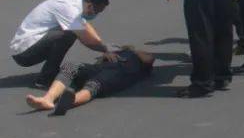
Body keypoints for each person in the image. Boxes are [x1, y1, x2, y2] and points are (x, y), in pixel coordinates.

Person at [10, 0, 116, 87]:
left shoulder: (76, 2)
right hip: (24, 53)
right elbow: (85, 39)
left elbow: (86, 27)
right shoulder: (68, 8)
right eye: (97, 11)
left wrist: (104, 46)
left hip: (30, 46)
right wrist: (105, 49)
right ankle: (46, 79)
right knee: (69, 34)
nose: (96, 14)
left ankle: (50, 72)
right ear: (90, 6)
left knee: (72, 31)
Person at [25, 47, 155, 116]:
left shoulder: (137, 59)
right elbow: (97, 64)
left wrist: (133, 50)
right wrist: (105, 56)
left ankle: (70, 102)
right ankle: (48, 99)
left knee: (95, 83)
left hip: (121, 73)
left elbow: (149, 59)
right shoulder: (115, 53)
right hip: (101, 68)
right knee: (72, 65)